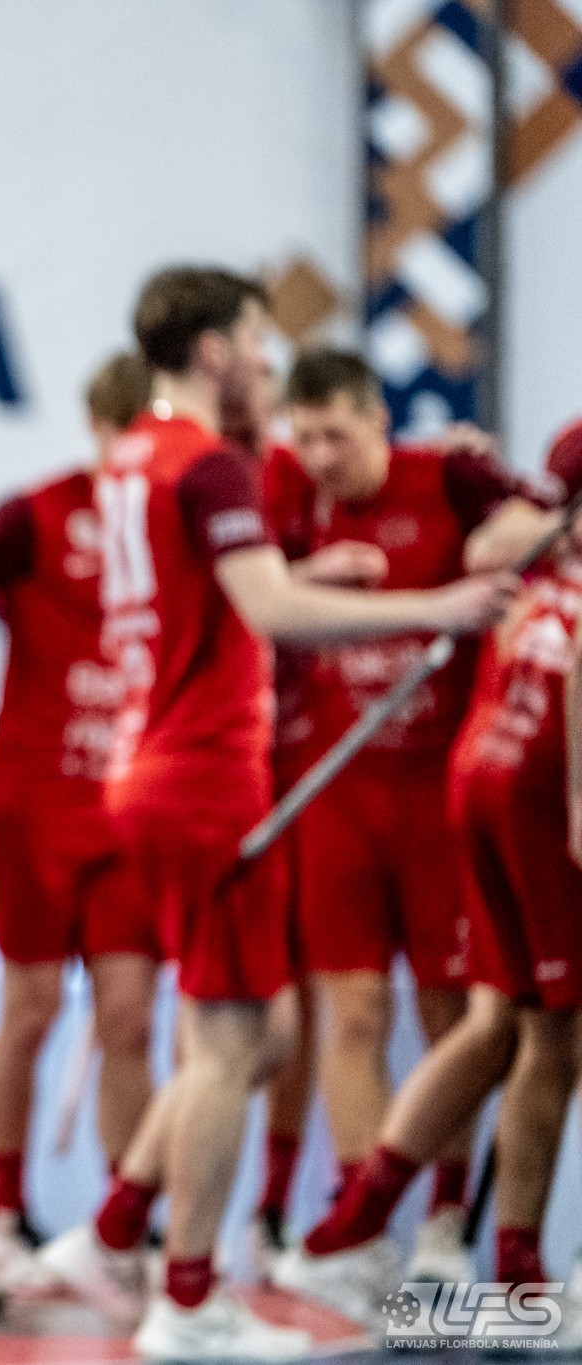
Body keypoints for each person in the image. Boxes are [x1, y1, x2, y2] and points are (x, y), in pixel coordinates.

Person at [37, 266, 518, 1361]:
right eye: (256, 343)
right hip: (204, 777)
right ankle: (186, 1298)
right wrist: (437, 604)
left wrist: (315, 567)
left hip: (149, 766)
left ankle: (116, 1233)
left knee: (266, 1037)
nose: (265, 362)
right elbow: (266, 609)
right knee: (227, 1047)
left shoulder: (133, 454)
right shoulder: (209, 461)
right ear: (214, 349)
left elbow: (211, 586)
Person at [275, 418, 582, 1334]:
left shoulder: (533, 558)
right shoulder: (539, 552)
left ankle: (358, 1224)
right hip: (530, 795)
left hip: (477, 774)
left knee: (496, 1028)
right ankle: (514, 1272)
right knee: (549, 1038)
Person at [0, 351, 161, 1293]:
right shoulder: (33, 515)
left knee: (130, 1017)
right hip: (34, 802)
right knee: (32, 1008)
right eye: (125, 433)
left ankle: (125, 1225)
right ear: (96, 426)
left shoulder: (184, 518)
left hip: (128, 807)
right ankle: (6, 1217)